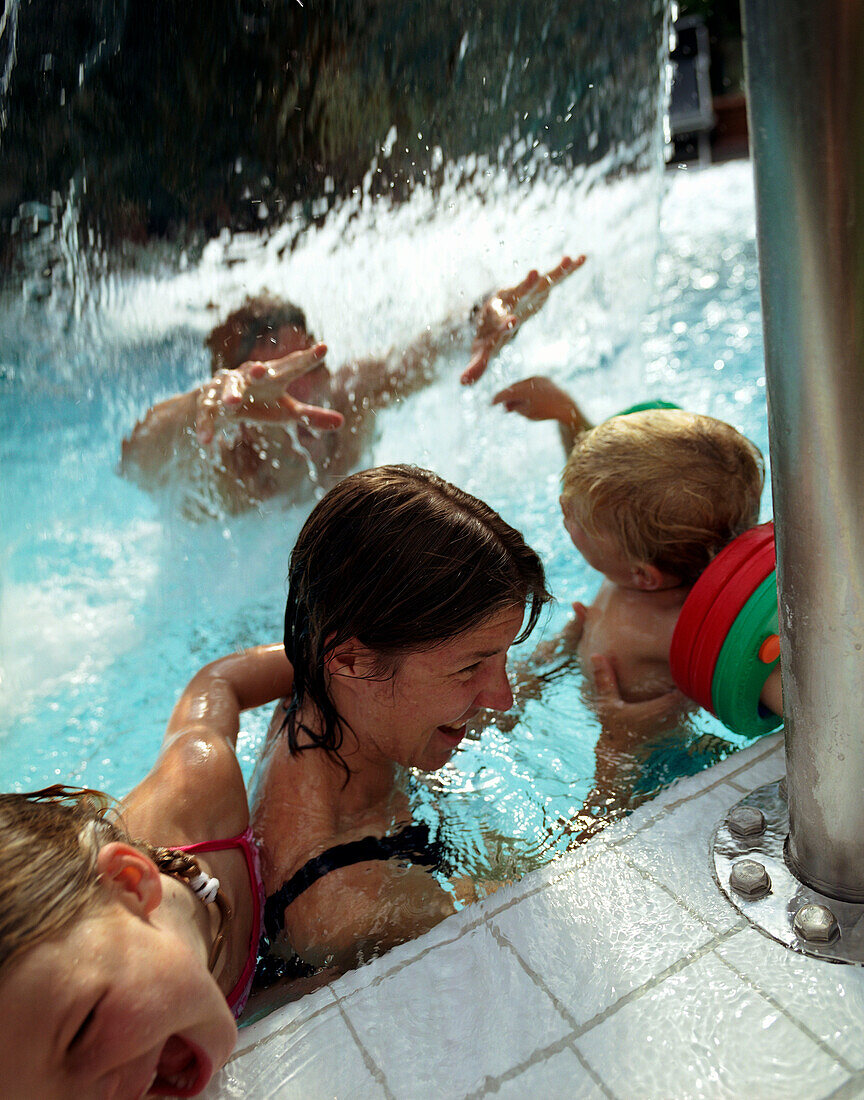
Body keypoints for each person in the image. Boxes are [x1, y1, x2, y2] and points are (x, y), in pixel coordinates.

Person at [251, 464, 552, 977]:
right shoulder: (356, 906)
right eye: (470, 666)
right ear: (350, 662)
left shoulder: (315, 694)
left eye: (501, 657)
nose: (502, 696)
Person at [0, 643, 301, 1098]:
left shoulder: (197, 788)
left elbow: (220, 683)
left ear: (131, 884)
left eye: (83, 1030)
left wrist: (325, 656)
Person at [120, 259, 584, 513]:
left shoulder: (348, 400)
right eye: (272, 379)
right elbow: (135, 462)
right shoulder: (224, 467)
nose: (300, 393)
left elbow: (424, 354)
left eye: (307, 369)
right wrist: (203, 402)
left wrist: (479, 319)